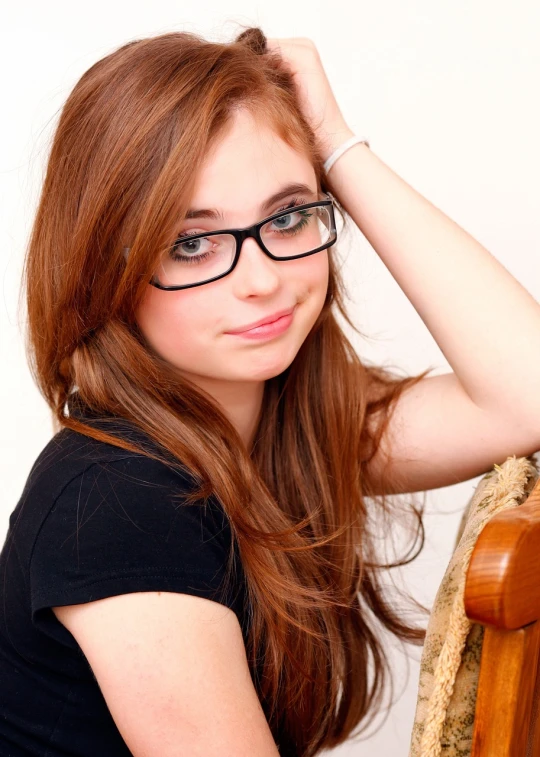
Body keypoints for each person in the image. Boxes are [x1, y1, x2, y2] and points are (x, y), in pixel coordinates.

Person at [2, 25, 540, 757]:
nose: (261, 280)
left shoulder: (290, 423)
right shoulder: (116, 501)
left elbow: (527, 392)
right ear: (105, 266)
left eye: (288, 216)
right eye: (192, 242)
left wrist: (337, 144)